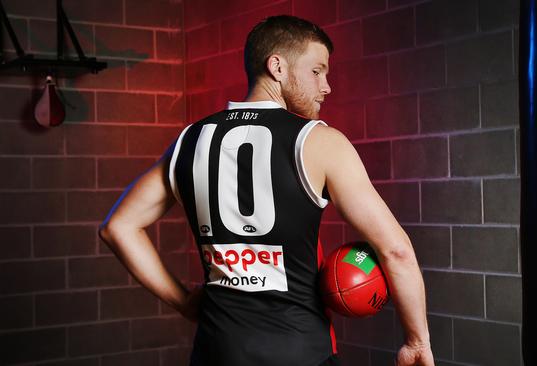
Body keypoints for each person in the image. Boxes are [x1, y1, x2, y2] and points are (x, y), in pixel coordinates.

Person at [98, 15, 434, 366]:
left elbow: (118, 228)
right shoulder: (319, 142)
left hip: (216, 351)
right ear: (277, 66)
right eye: (317, 71)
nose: (327, 86)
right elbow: (395, 251)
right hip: (300, 352)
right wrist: (417, 341)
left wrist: (184, 302)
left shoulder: (190, 140)